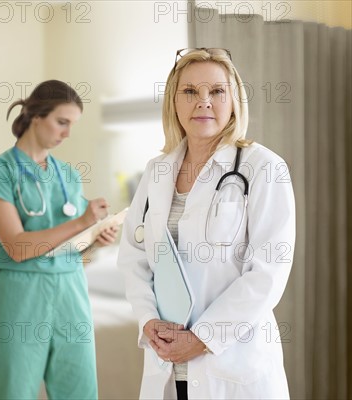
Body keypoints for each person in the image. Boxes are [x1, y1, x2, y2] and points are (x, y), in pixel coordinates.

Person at [117, 48, 295, 399]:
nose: (203, 102)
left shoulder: (263, 167)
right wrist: (148, 319)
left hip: (231, 366)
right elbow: (133, 256)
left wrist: (202, 339)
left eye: (216, 91)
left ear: (233, 101)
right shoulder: (157, 170)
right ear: (174, 102)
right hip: (167, 365)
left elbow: (268, 272)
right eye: (189, 92)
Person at [0, 79, 118, 399]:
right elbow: (19, 246)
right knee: (13, 391)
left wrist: (96, 239)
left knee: (78, 391)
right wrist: (82, 220)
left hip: (71, 293)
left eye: (72, 125)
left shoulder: (68, 175)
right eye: (61, 122)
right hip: (21, 295)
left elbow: (74, 253)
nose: (66, 134)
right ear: (36, 116)